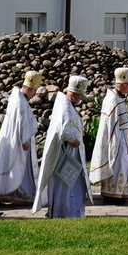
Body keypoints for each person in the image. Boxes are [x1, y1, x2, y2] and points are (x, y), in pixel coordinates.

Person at [35, 75, 91, 217]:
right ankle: (65, 211)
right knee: (66, 182)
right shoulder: (64, 106)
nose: (81, 99)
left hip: (71, 152)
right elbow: (61, 130)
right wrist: (73, 139)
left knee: (72, 182)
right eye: (80, 96)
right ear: (73, 94)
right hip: (66, 152)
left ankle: (71, 209)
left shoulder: (65, 104)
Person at [0, 71, 42, 206]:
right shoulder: (19, 101)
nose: (34, 94)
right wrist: (24, 140)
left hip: (15, 141)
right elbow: (20, 122)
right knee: (17, 167)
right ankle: (17, 194)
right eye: (33, 91)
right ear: (28, 89)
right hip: (18, 143)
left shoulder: (18, 98)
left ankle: (6, 193)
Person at [88, 68, 128, 203]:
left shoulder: (118, 98)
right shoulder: (112, 100)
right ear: (121, 85)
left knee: (123, 165)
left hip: (123, 138)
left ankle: (120, 192)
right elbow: (111, 125)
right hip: (117, 139)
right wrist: (115, 143)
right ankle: (112, 194)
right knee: (118, 164)